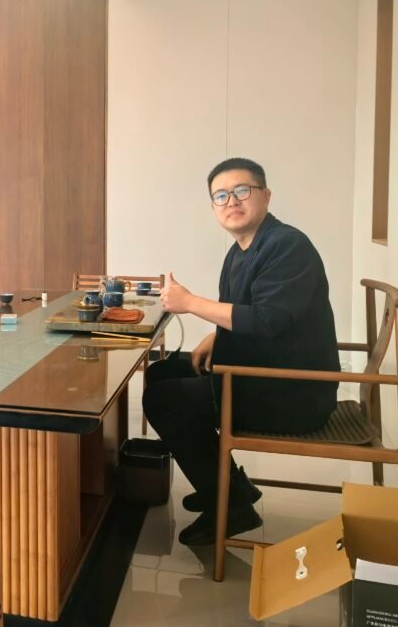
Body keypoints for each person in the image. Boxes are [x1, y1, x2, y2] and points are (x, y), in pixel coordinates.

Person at [142, 157, 339, 546]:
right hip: (261, 374)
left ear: (266, 196)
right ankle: (232, 486)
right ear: (214, 206)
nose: (231, 201)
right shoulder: (240, 251)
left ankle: (231, 507)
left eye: (242, 191)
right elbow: (248, 311)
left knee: (163, 399)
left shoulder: (287, 245)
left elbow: (267, 320)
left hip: (292, 393)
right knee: (163, 372)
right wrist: (215, 337)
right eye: (221, 195)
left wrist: (190, 303)